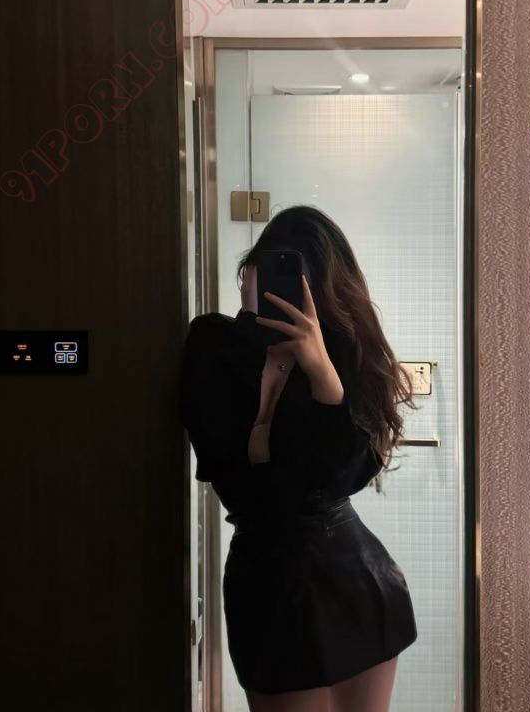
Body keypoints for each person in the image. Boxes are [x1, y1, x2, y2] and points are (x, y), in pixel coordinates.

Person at [179, 205, 418, 712]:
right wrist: (255, 336)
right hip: (270, 586)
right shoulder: (214, 345)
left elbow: (346, 475)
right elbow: (231, 469)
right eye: (266, 272)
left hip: (359, 582)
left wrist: (322, 373)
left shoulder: (342, 355)